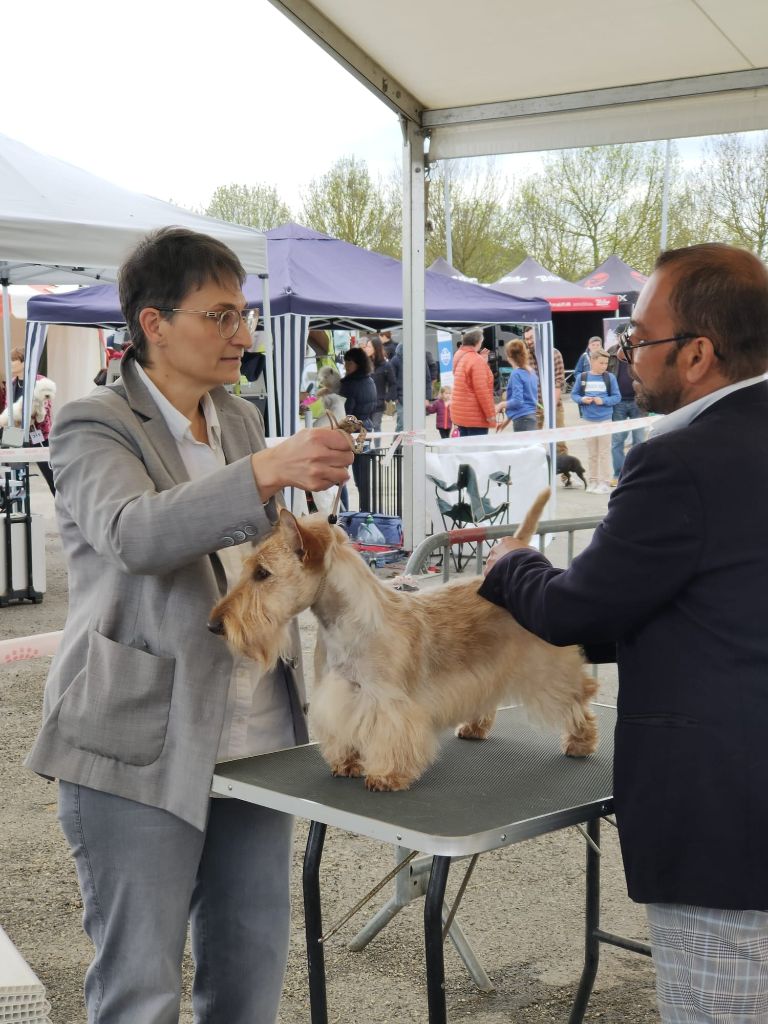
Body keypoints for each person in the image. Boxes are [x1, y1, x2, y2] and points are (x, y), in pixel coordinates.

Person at [24, 227, 354, 1024]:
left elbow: (268, 566)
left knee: (247, 978)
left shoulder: (236, 421)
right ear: (153, 324)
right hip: (140, 740)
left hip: (257, 736)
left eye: (243, 313)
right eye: (219, 315)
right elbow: (136, 534)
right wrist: (268, 469)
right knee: (140, 990)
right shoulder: (92, 422)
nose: (241, 333)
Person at [480, 242, 768, 1024]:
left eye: (638, 338)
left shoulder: (679, 461)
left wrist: (512, 565)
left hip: (727, 835)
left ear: (699, 353)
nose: (623, 354)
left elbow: (581, 611)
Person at [1, 347, 56, 494]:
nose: (10, 363)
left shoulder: (40, 381)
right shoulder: (11, 383)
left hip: (37, 432)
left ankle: (63, 505)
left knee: (51, 474)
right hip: (14, 431)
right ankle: (16, 507)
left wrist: (30, 416)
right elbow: (8, 408)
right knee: (13, 474)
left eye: (14, 360)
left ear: (24, 362)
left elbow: (47, 407)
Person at [570, 347, 621, 493]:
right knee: (592, 453)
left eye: (606, 363)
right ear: (592, 361)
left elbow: (617, 397)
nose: (604, 366)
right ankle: (592, 480)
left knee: (604, 453)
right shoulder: (583, 377)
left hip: (605, 420)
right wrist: (582, 399)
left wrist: (603, 401)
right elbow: (574, 395)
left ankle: (605, 482)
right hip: (588, 420)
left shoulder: (609, 377)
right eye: (601, 363)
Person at [523, 325, 568, 454]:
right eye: (526, 339)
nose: (529, 341)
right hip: (533, 407)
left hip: (554, 405)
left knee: (559, 442)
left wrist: (550, 407)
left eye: (531, 338)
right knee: (532, 443)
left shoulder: (554, 354)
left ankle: (564, 473)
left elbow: (559, 381)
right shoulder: (524, 356)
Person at [607, 341, 646, 483]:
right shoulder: (611, 352)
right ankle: (618, 475)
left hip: (638, 401)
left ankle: (638, 473)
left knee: (640, 441)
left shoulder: (640, 350)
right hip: (618, 403)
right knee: (617, 441)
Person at [450, 328, 496, 436]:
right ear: (478, 341)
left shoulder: (459, 355)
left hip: (461, 415)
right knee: (476, 451)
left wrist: (481, 361)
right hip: (475, 418)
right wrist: (490, 415)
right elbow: (482, 390)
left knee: (465, 450)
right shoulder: (476, 360)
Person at [389, 342, 432, 433]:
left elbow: (427, 378)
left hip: (418, 397)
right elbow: (391, 380)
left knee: (417, 424)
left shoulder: (420, 359)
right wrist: (395, 397)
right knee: (402, 423)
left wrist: (427, 397)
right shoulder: (395, 360)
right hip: (401, 398)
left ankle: (414, 445)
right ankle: (397, 446)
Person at [496, 338, 538, 432]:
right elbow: (525, 404)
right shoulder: (531, 372)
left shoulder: (516, 374)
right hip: (531, 417)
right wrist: (505, 423)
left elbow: (518, 401)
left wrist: (502, 404)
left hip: (522, 421)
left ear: (509, 357)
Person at [360, 333, 395, 433]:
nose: (366, 348)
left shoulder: (386, 365)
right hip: (365, 403)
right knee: (365, 427)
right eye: (366, 346)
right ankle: (367, 448)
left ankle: (377, 448)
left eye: (369, 346)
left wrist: (387, 398)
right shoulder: (364, 364)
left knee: (376, 426)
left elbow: (392, 383)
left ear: (376, 348)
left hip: (378, 403)